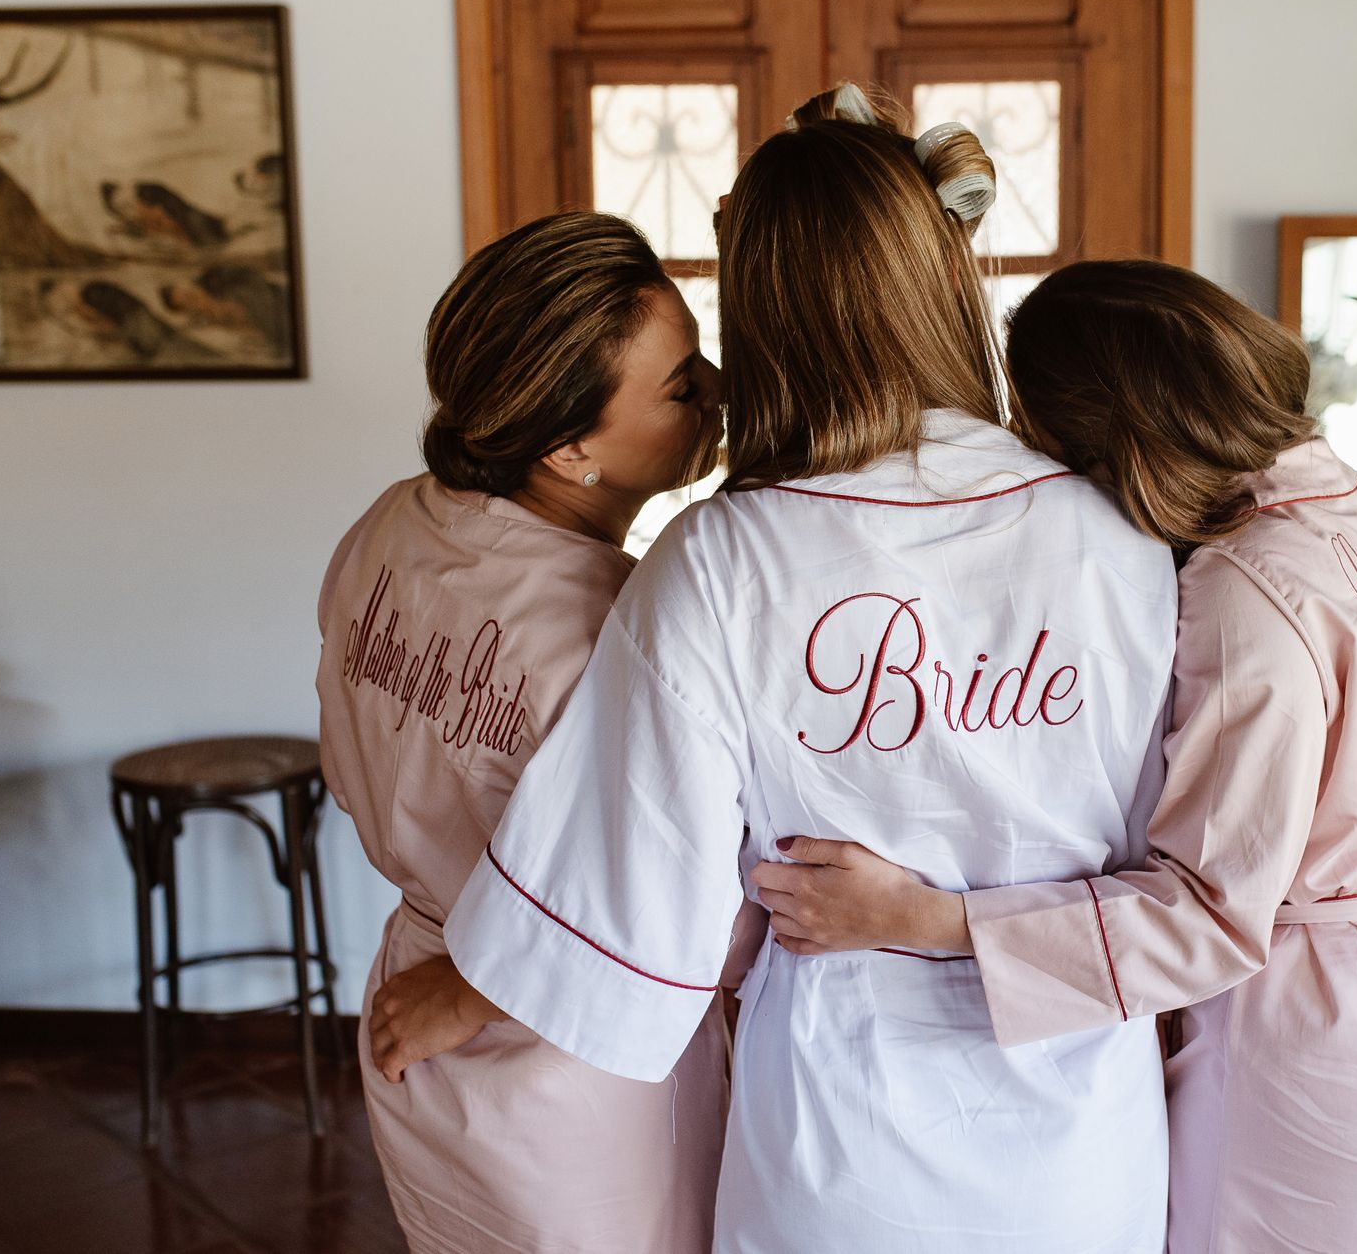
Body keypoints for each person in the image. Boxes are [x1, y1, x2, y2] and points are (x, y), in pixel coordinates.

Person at [421, 85, 1179, 1253]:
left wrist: (464, 988)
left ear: (761, 314)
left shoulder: (721, 560)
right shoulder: (1122, 537)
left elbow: (641, 882)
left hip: (847, 1138)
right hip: (1082, 1132)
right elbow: (1181, 856)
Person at [756, 260, 1357, 1254]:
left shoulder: (1250, 587)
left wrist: (922, 918)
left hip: (1327, 1058)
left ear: (1108, 440)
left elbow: (1208, 917)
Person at [314, 210, 731, 1254]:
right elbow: (685, 907)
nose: (719, 386)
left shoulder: (391, 524)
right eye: (682, 384)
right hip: (575, 1060)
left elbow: (354, 759)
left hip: (414, 1009)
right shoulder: (617, 630)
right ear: (570, 446)